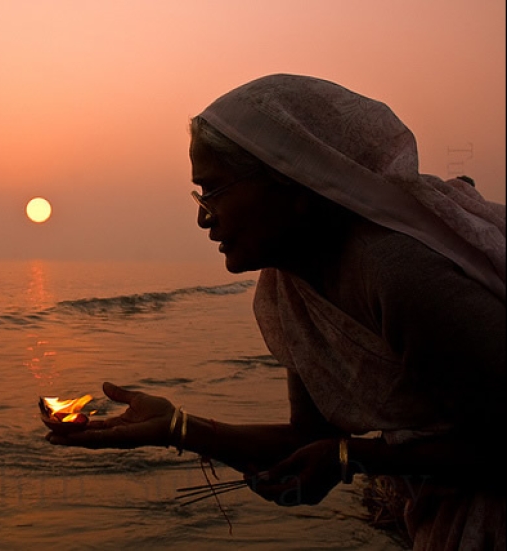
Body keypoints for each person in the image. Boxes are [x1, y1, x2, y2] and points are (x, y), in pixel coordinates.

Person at [47, 74, 506, 549]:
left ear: (293, 181)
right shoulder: (292, 288)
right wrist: (176, 427)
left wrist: (353, 457)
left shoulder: (399, 274)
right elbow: (307, 438)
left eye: (213, 190)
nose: (203, 216)